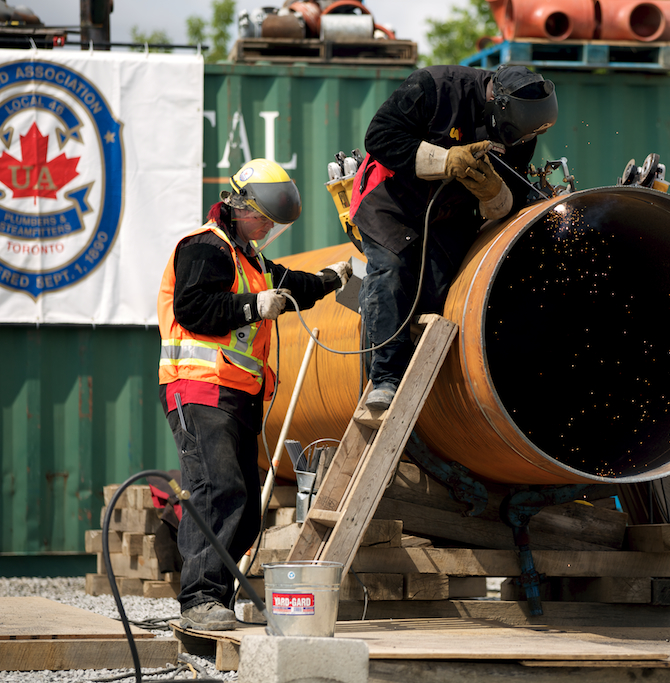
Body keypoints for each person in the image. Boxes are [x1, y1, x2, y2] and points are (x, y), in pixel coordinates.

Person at [157, 158, 351, 631]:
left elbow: (289, 284)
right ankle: (199, 601)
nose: (266, 227)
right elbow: (193, 307)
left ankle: (214, 599)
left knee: (243, 509)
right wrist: (252, 306)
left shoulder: (251, 259)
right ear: (238, 204)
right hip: (199, 388)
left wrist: (331, 279)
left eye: (271, 220)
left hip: (237, 395)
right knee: (218, 490)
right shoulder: (204, 248)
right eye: (262, 217)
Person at [350, 64, 558, 410]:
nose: (520, 143)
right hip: (391, 201)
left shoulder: (522, 130)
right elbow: (380, 138)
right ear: (498, 101)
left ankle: (424, 389)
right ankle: (385, 379)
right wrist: (445, 160)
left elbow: (513, 199)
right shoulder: (434, 87)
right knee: (391, 274)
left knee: (437, 294)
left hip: (450, 215)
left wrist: (495, 193)